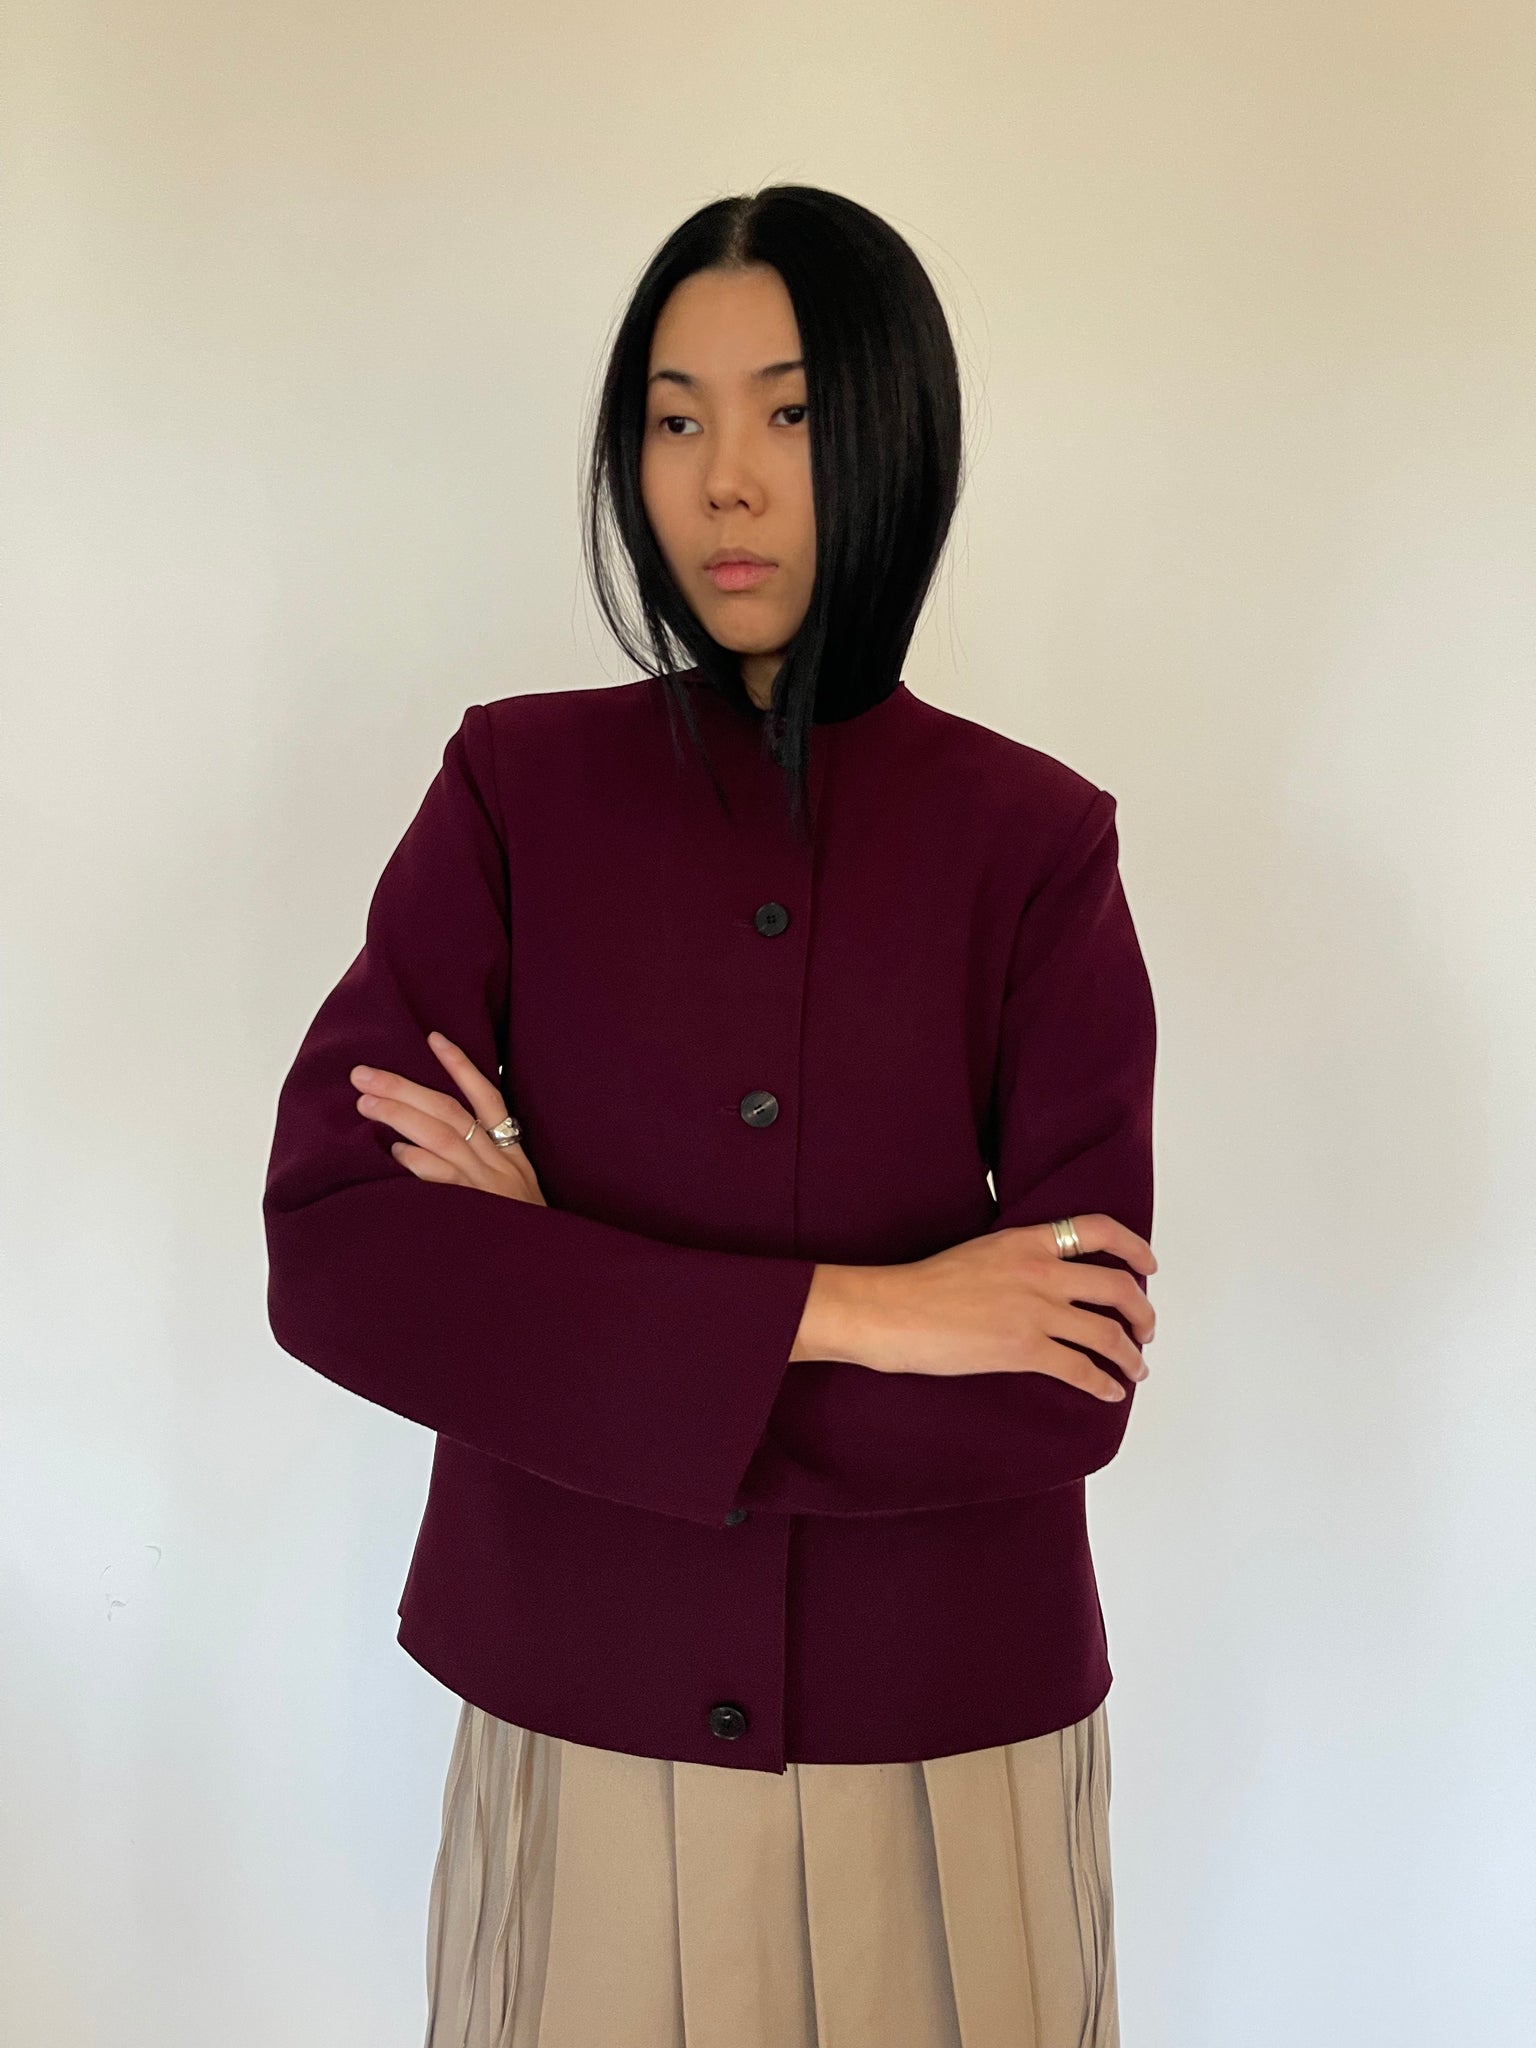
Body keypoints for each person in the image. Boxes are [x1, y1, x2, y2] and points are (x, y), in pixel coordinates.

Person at [263, 184, 1158, 2048]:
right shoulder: (513, 791)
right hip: (576, 1719)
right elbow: (340, 1253)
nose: (724, 481)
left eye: (790, 413)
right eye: (674, 420)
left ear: (894, 428)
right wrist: (872, 1312)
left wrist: (560, 1306)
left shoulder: (1037, 847)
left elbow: (1060, 1382)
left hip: (946, 1752)